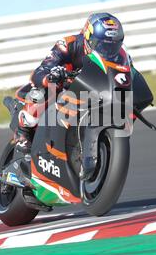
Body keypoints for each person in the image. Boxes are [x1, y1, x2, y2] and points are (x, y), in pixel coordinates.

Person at [14, 12, 136, 154]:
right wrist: (51, 76)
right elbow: (39, 72)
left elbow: (127, 76)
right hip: (65, 88)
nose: (106, 51)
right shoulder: (67, 45)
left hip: (94, 93)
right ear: (87, 37)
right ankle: (23, 131)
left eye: (112, 46)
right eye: (100, 45)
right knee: (47, 88)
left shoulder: (122, 56)